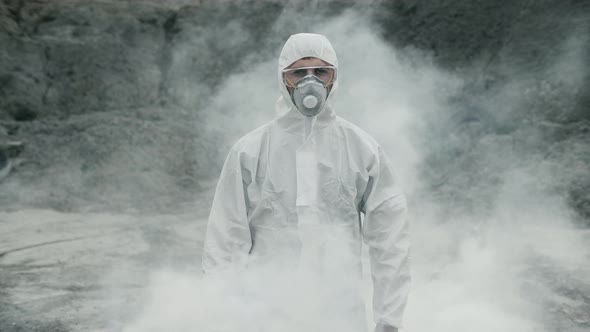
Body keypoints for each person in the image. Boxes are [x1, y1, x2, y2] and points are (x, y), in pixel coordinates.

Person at [202, 33, 410, 332]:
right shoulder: (250, 151)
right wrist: (225, 314)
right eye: (298, 72)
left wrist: (388, 320)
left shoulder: (361, 149)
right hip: (266, 312)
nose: (309, 82)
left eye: (320, 72)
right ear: (283, 79)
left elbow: (390, 241)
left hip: (341, 312)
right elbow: (225, 241)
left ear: (334, 77)